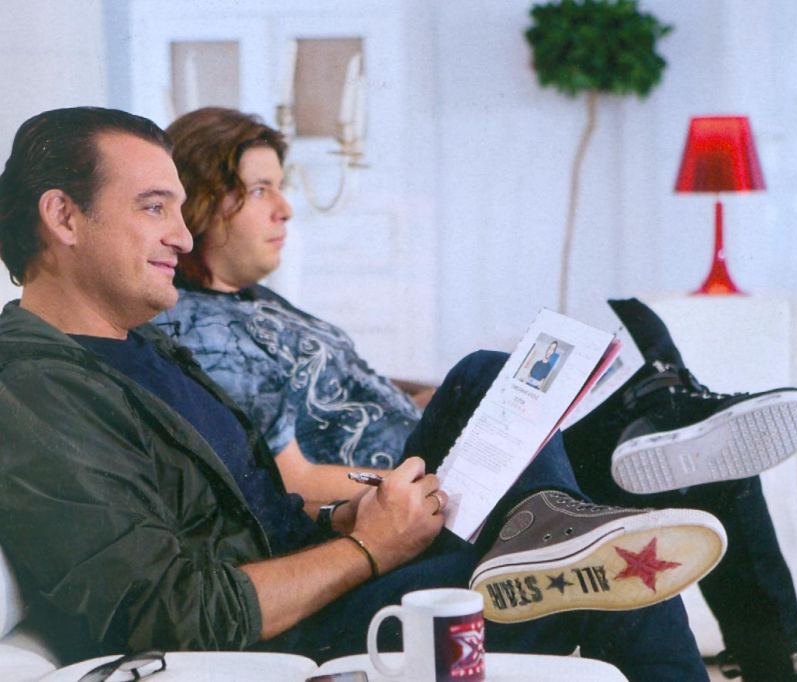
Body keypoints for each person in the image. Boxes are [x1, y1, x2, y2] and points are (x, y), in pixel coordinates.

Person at [0, 107, 724, 681]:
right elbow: (171, 611)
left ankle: (559, 519)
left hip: (319, 574)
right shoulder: (34, 388)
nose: (183, 239)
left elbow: (255, 511)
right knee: (614, 569)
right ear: (63, 217)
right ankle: (574, 518)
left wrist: (345, 516)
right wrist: (368, 549)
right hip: (281, 636)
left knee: (483, 376)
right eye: (154, 208)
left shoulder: (141, 348)